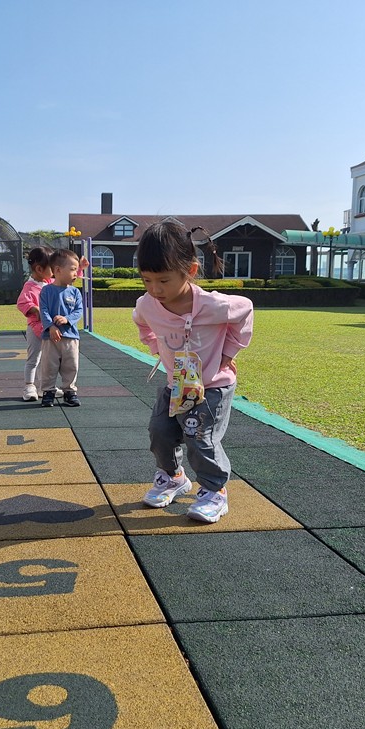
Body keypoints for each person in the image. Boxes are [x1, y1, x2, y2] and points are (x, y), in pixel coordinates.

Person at [132, 221, 253, 523]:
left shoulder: (215, 305)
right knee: (160, 431)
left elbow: (246, 310)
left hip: (212, 385)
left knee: (199, 436)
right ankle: (173, 478)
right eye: (147, 280)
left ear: (190, 271)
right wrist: (156, 347)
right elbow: (142, 323)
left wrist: (228, 353)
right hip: (177, 384)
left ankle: (214, 491)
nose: (155, 289)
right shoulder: (147, 305)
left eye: (164, 280)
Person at [38, 248, 83, 407]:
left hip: (70, 337)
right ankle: (48, 392)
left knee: (71, 365)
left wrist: (67, 319)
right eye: (72, 269)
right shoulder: (46, 291)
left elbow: (79, 311)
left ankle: (69, 391)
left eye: (76, 270)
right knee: (49, 366)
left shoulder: (75, 292)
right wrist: (50, 327)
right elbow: (43, 310)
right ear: (57, 270)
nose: (76, 273)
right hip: (50, 338)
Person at [15, 247, 58, 402]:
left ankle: (44, 386)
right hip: (35, 328)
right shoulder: (30, 286)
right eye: (52, 268)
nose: (55, 271)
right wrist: (34, 309)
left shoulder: (51, 282)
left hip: (48, 328)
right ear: (39, 269)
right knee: (34, 358)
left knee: (47, 359)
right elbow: (21, 303)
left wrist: (79, 270)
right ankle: (29, 386)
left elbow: (67, 280)